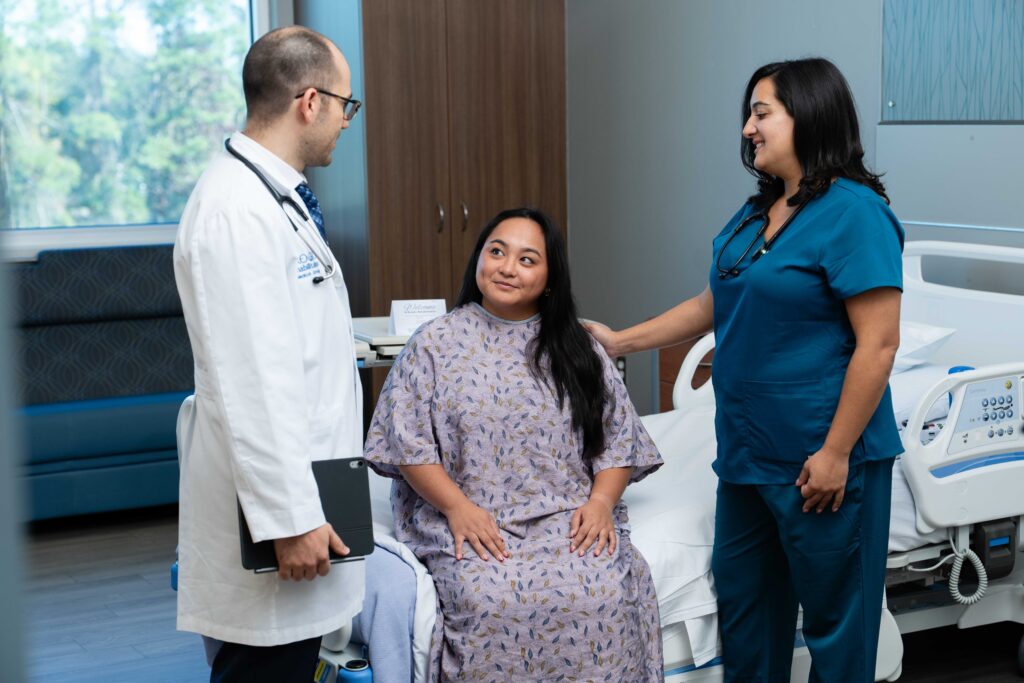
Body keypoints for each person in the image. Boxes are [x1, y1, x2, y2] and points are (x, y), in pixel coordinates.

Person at [587, 58, 904, 682]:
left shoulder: (855, 214)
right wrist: (621, 340)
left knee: (838, 628)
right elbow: (713, 303)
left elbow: (879, 345)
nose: (747, 129)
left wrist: (836, 452)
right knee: (747, 614)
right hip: (746, 455)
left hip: (819, 461)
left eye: (762, 114)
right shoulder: (758, 211)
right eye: (749, 115)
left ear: (809, 115)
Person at [364, 208, 665, 681]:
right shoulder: (434, 343)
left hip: (565, 515)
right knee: (490, 600)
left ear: (549, 278)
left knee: (601, 592)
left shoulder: (577, 347)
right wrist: (458, 509)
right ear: (479, 259)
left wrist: (601, 503)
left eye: (527, 259)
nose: (507, 268)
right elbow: (408, 447)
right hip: (468, 514)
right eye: (497, 252)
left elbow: (617, 441)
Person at [173, 26, 366, 682]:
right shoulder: (236, 211)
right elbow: (251, 380)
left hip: (302, 495)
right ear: (310, 102)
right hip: (276, 519)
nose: (347, 120)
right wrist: (290, 518)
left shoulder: (275, 198)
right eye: (345, 104)